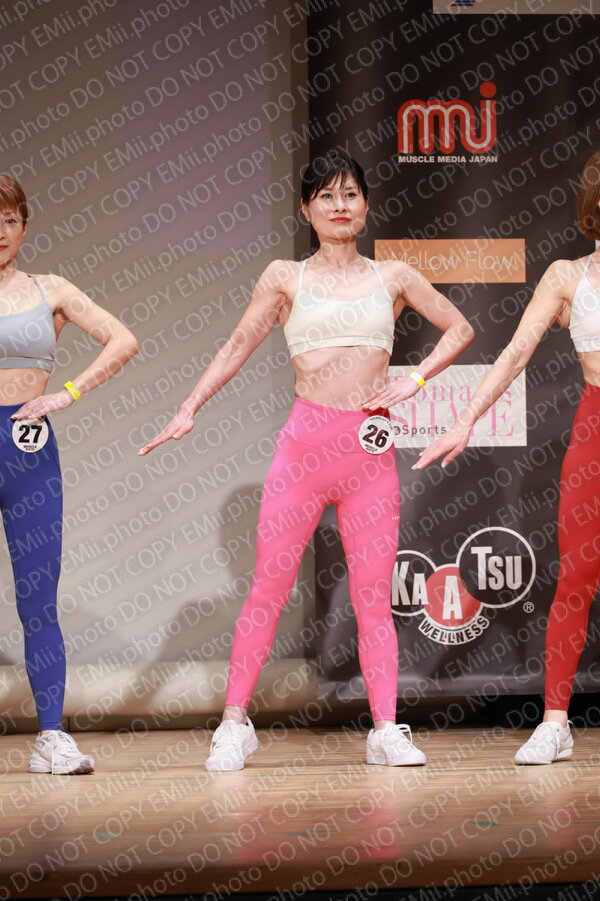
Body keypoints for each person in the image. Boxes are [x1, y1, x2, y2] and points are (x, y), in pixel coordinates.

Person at [140, 150, 474, 770]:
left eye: (350, 194)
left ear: (366, 204)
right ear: (306, 209)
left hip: (368, 452)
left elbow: (459, 328)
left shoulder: (394, 276)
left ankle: (386, 729)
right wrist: (189, 407)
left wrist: (415, 380)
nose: (339, 206)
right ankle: (234, 724)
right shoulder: (284, 277)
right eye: (326, 196)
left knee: (373, 597)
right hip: (305, 448)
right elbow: (235, 346)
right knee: (268, 587)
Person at [414, 149, 600, 765]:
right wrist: (465, 419)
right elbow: (514, 353)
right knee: (576, 578)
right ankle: (555, 722)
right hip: (594, 431)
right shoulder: (567, 276)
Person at [0, 174, 139, 774]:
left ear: (24, 226)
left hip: (27, 449)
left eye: (8, 219)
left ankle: (51, 737)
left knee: (38, 599)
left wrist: (67, 394)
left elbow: (122, 339)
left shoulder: (49, 289)